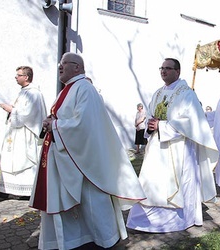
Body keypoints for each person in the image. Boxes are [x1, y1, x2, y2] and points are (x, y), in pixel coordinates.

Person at [29, 52, 146, 249]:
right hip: (66, 155)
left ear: (77, 67)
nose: (60, 66)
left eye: (64, 63)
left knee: (92, 200)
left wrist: (55, 125)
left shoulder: (84, 88)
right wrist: (52, 123)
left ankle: (105, 239)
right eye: (60, 63)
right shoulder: (68, 89)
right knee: (73, 203)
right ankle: (78, 239)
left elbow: (84, 124)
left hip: (84, 160)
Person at [126, 58, 219, 232]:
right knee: (152, 181)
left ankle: (179, 219)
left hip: (179, 147)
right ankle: (146, 218)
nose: (163, 71)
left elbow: (192, 122)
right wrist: (151, 125)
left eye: (168, 68)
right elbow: (152, 116)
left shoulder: (187, 94)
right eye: (162, 68)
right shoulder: (158, 93)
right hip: (157, 146)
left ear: (177, 71)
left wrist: (162, 126)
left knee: (176, 182)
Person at [0, 66, 47, 200]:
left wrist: (11, 109)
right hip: (15, 134)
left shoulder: (34, 93)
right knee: (8, 159)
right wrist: (12, 110)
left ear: (26, 77)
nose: (16, 77)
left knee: (23, 161)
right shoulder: (23, 92)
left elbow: (29, 114)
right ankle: (4, 189)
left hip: (25, 135)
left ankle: (27, 192)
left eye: (18, 75)